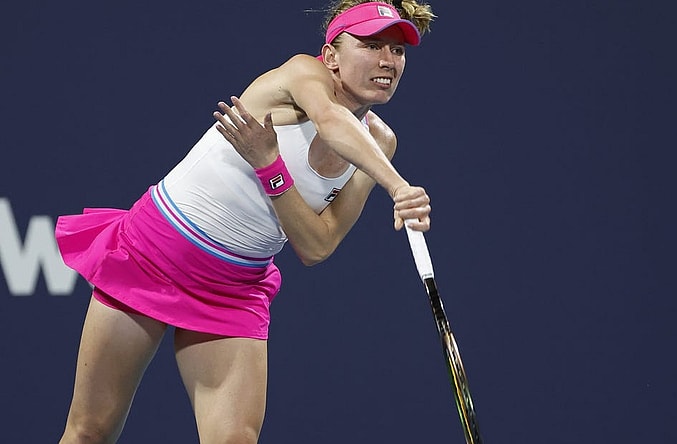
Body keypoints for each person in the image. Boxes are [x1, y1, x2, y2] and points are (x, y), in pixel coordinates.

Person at [54, 0, 436, 442]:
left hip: (233, 289)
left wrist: (271, 166)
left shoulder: (379, 143)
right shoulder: (300, 74)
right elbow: (330, 121)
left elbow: (316, 246)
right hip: (152, 253)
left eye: (398, 51)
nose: (388, 61)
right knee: (89, 431)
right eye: (372, 46)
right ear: (331, 54)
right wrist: (398, 188)